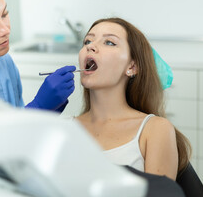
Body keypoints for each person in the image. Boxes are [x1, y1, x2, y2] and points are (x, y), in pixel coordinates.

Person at [75, 17, 191, 180]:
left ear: (132, 67)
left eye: (109, 42)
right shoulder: (63, 128)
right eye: (87, 41)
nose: (91, 46)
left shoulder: (155, 130)